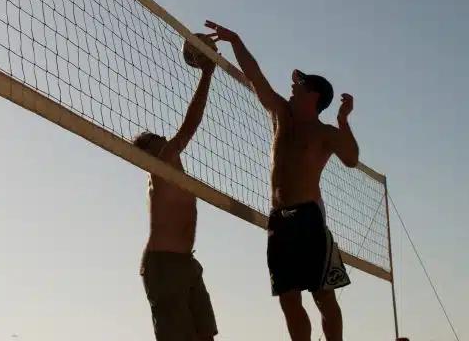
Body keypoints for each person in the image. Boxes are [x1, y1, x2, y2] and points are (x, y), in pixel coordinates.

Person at [206, 21, 359, 341]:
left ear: (314, 95)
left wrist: (343, 121)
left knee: (323, 296)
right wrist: (235, 40)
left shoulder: (324, 133)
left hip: (307, 218)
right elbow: (254, 75)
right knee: (289, 299)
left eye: (299, 84)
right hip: (278, 219)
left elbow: (351, 159)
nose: (293, 86)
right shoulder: (280, 113)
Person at [132, 51, 219, 341]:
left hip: (186, 262)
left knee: (205, 336)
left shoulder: (178, 174)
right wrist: (207, 75)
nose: (168, 144)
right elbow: (190, 125)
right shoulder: (162, 167)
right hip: (164, 264)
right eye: (160, 144)